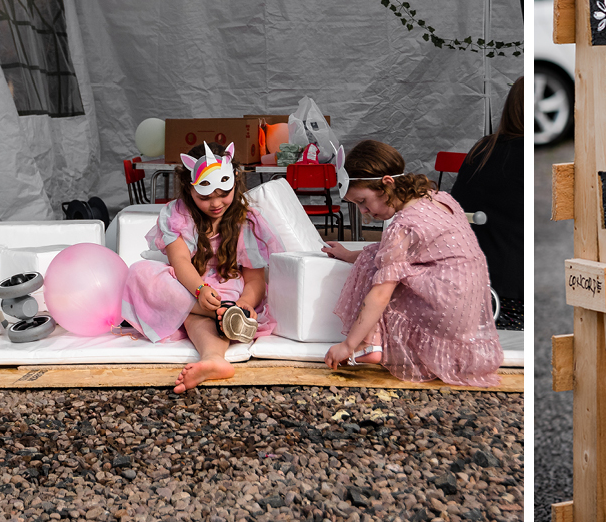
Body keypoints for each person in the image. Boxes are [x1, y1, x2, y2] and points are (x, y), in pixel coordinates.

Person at [321, 139, 503, 387]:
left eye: (363, 201)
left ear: (387, 183)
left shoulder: (402, 226)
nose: (363, 211)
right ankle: (370, 340)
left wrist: (347, 344)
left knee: (378, 273)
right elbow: (389, 252)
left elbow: (380, 294)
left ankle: (369, 343)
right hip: (468, 306)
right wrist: (349, 254)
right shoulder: (438, 198)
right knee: (379, 259)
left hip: (445, 308)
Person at [121, 141, 282, 393]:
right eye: (205, 197)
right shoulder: (177, 214)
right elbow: (181, 262)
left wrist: (247, 302)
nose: (216, 204)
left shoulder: (246, 220)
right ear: (189, 190)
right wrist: (200, 289)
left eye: (223, 194)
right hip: (189, 284)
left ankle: (214, 357)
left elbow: (254, 280)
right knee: (140, 272)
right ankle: (224, 318)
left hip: (227, 286)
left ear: (235, 181)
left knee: (197, 314)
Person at [450, 77, 524, 329]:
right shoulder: (527, 156)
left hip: (475, 281)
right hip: (516, 289)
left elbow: (457, 209)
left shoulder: (483, 149)